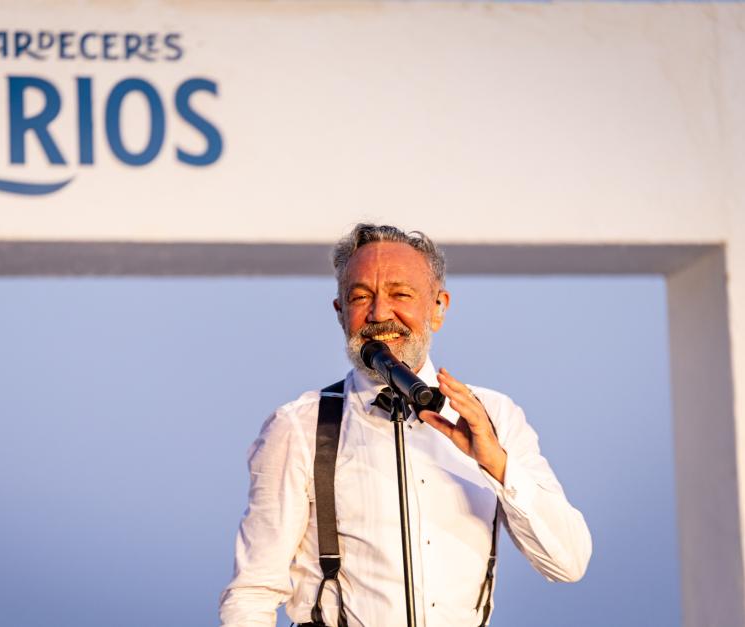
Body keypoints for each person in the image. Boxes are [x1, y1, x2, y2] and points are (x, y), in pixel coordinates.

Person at [219, 224, 592, 627]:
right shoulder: (299, 425)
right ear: (340, 311)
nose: (379, 313)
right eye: (361, 296)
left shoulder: (495, 415)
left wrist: (498, 464)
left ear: (438, 307)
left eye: (400, 294)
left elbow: (567, 562)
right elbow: (252, 593)